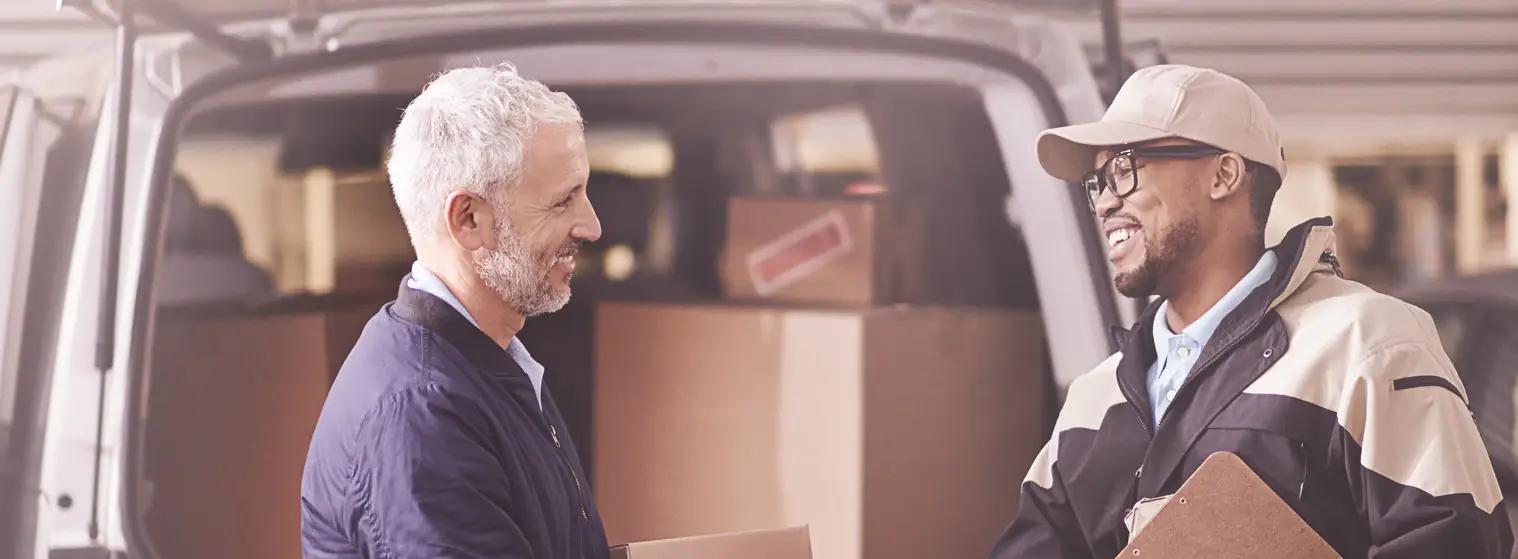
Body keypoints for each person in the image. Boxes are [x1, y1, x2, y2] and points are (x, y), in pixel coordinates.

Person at [990, 65, 1512, 558]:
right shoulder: (1094, 399)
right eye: (1096, 183)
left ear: (1224, 175)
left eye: (1124, 168)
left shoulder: (1366, 346)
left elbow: (1456, 543)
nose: (1104, 202)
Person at [301, 64, 607, 558]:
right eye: (562, 202)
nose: (591, 226)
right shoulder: (420, 416)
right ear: (468, 219)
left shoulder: (492, 360)